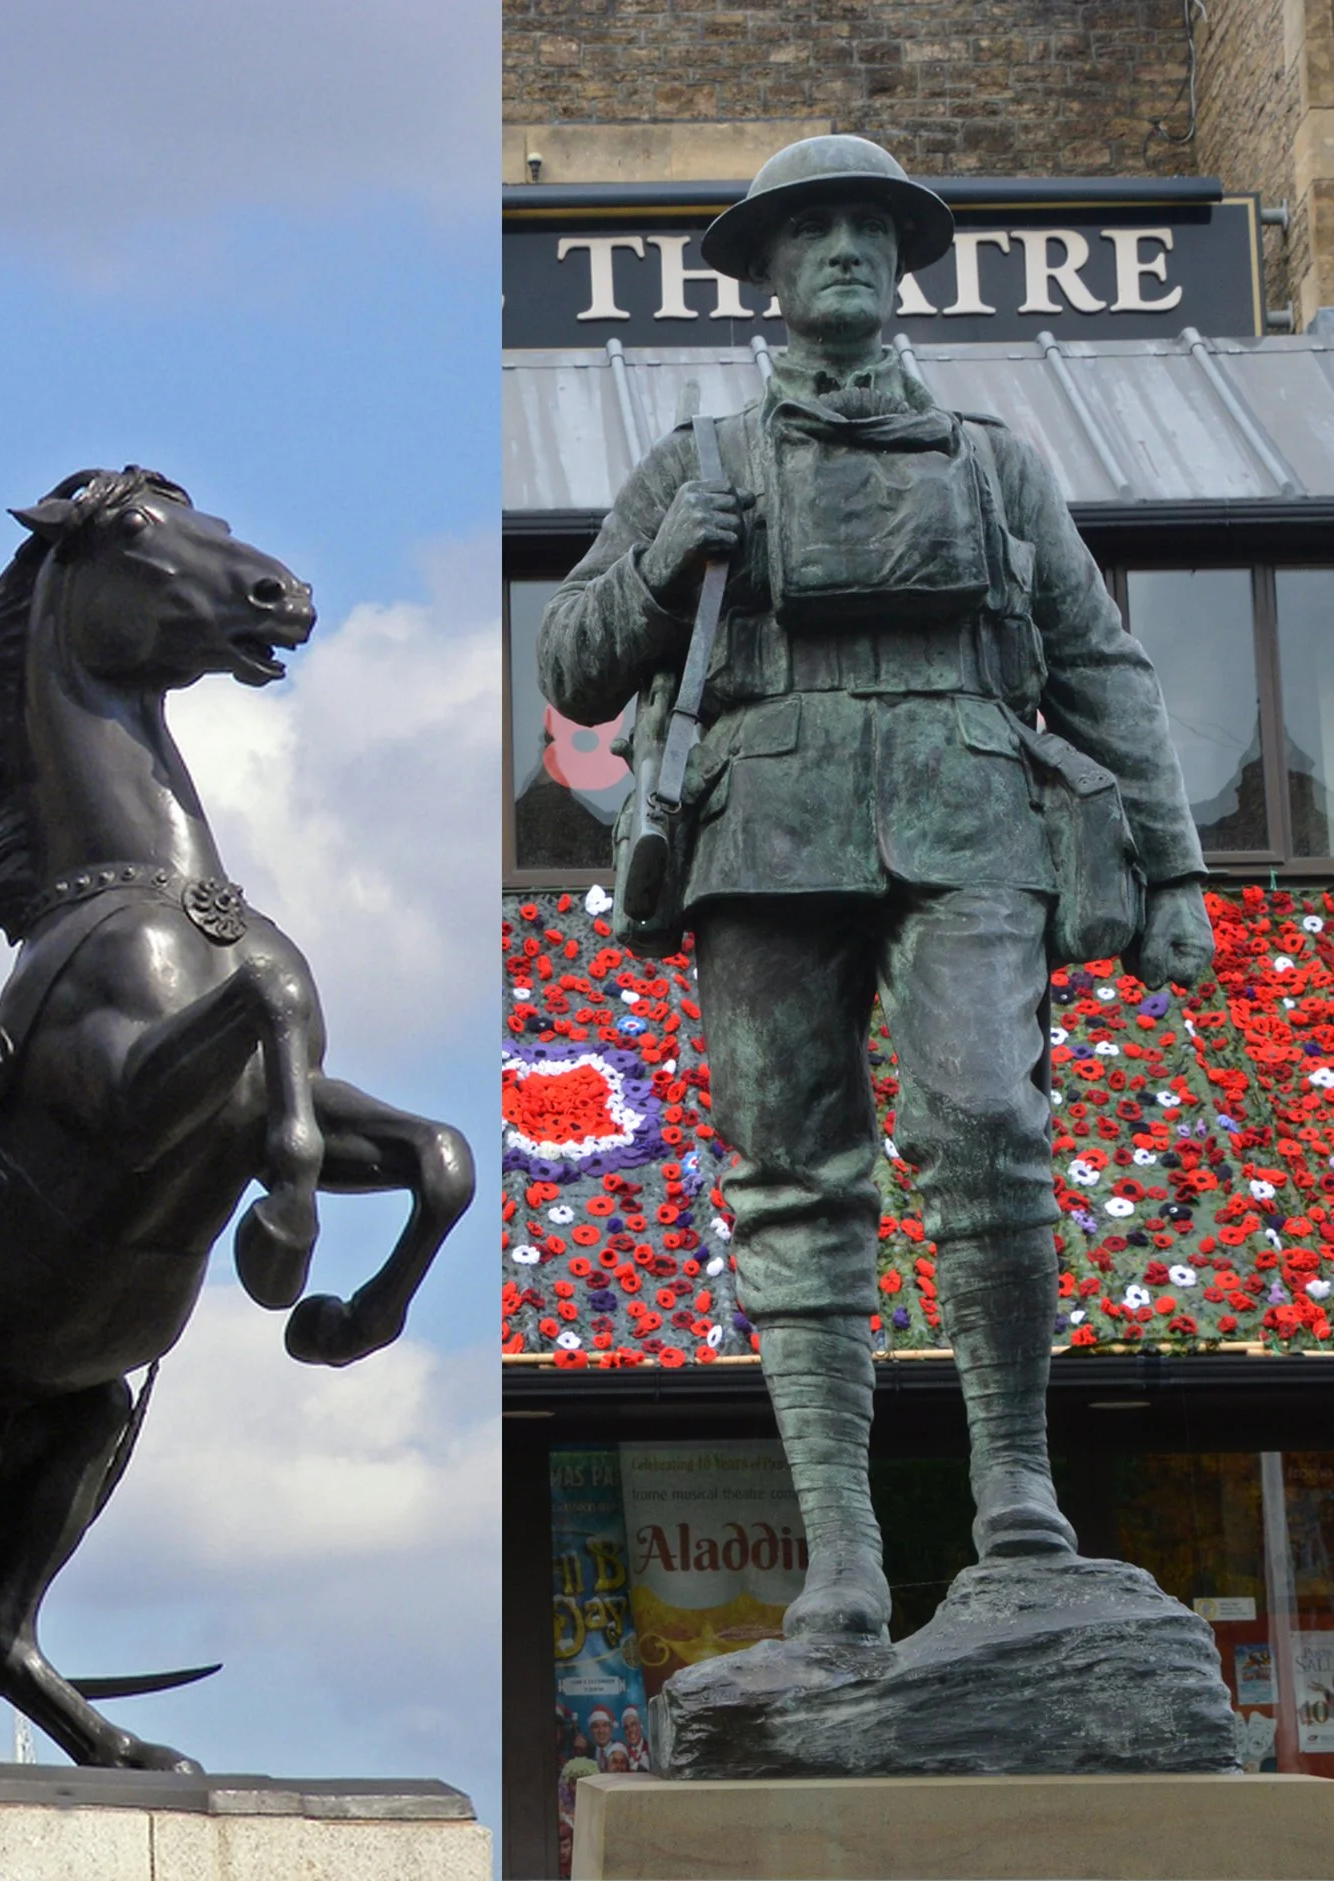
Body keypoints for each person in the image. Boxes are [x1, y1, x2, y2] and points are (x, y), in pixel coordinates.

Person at [539, 135, 1212, 1641]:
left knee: (986, 1118)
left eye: (869, 228)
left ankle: (1016, 1482)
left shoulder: (993, 459)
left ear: (901, 268)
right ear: (768, 273)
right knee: (792, 1175)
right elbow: (571, 667)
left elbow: (1101, 663)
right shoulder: (695, 463)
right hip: (761, 829)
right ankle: (839, 1547)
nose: (843, 247)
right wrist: (660, 567)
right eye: (811, 229)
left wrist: (1171, 864)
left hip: (969, 809)